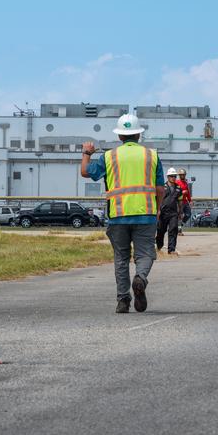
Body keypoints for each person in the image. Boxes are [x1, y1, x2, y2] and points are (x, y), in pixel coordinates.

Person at [80, 113, 167, 313]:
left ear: (120, 136)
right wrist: (158, 208)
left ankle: (123, 301)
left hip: (118, 215)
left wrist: (86, 153)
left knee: (121, 258)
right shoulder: (151, 155)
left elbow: (86, 172)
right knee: (145, 254)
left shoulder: (109, 156)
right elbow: (160, 189)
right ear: (139, 135)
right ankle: (141, 278)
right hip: (146, 213)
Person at [157, 167, 182, 255]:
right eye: (171, 176)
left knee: (173, 229)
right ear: (168, 177)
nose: (173, 178)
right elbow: (158, 199)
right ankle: (159, 247)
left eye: (174, 176)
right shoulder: (162, 188)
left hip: (173, 213)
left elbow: (180, 200)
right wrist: (158, 210)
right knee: (161, 230)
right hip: (163, 213)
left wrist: (180, 212)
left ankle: (171, 250)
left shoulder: (178, 188)